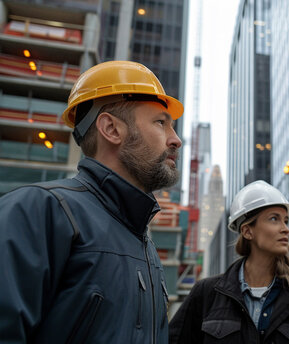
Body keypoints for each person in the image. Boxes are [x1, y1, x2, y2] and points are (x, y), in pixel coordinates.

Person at [0, 61, 184, 343]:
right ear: (111, 128)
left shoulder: (143, 244)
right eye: (161, 122)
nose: (176, 140)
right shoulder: (39, 211)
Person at [169, 180, 289, 344]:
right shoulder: (207, 293)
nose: (286, 228)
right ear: (247, 231)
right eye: (274, 219)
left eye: (285, 220)